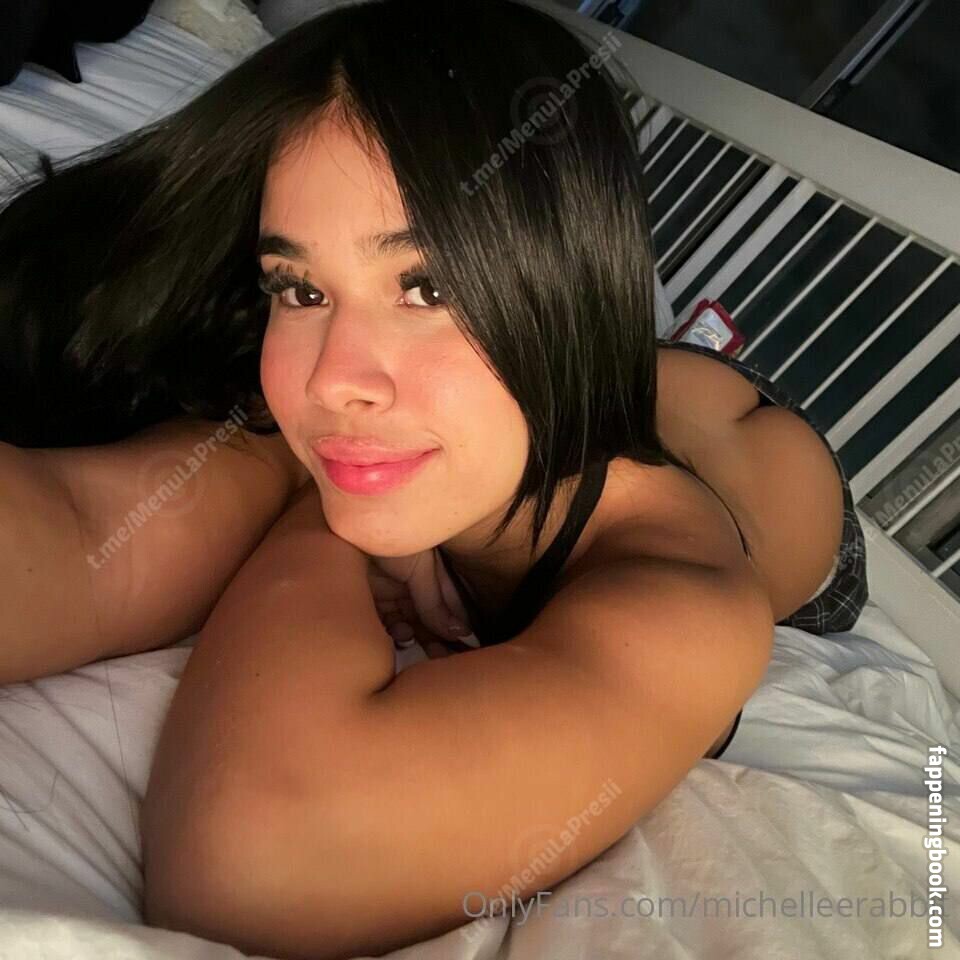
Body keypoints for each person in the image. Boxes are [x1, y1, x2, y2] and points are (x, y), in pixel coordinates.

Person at [0, 0, 867, 955]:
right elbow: (79, 530)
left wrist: (323, 516)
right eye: (301, 288)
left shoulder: (689, 595)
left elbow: (259, 864)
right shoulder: (320, 400)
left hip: (755, 460)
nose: (332, 381)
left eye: (428, 285)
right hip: (596, 376)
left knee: (633, 409)